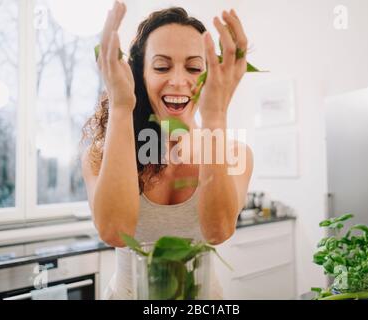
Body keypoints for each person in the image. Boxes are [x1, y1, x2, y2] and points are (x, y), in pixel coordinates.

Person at [81, 2, 253, 299]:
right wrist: (122, 105)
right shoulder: (100, 154)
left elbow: (218, 231)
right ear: (140, 73)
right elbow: (114, 231)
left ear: (208, 75)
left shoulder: (236, 153)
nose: (178, 80)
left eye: (194, 67)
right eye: (161, 66)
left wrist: (215, 116)